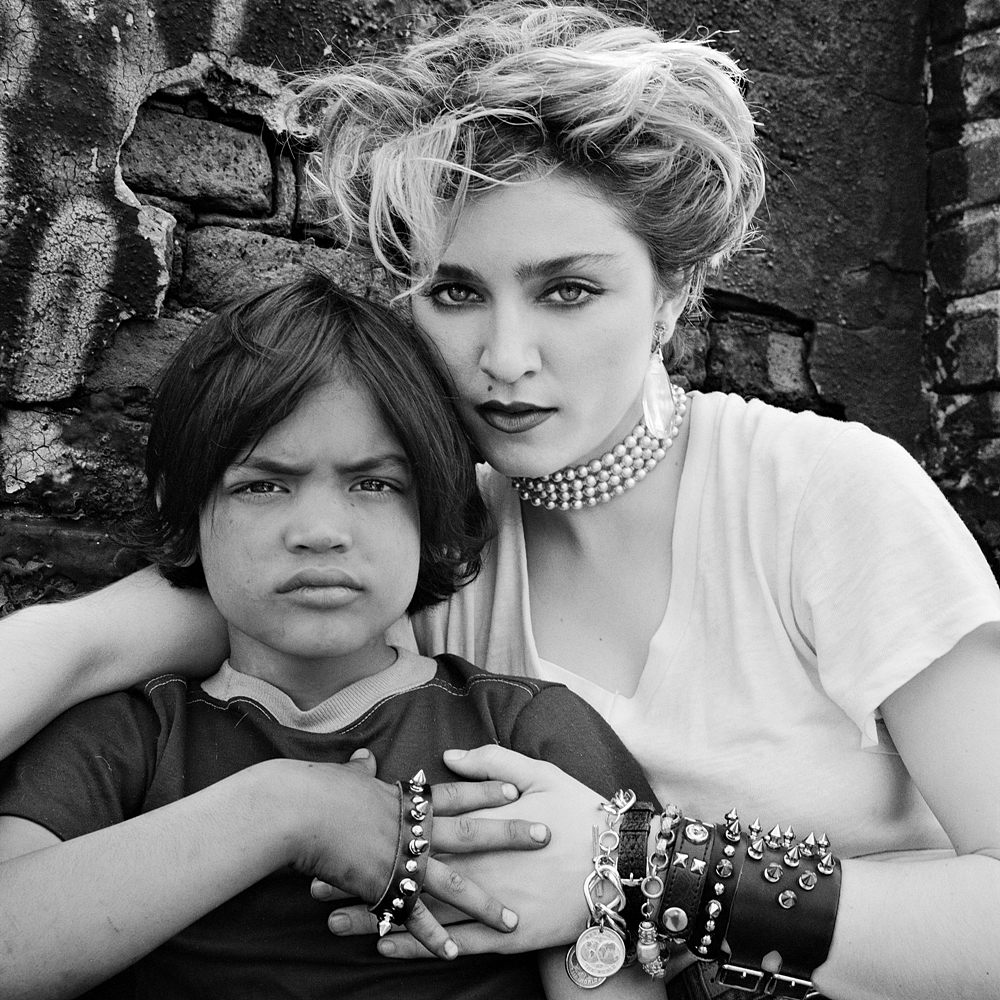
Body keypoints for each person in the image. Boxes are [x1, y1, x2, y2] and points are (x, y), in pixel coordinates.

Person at [1, 3, 998, 999]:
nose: (505, 358)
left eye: (568, 291)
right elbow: (82, 648)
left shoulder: (820, 491)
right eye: (456, 292)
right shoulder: (413, 541)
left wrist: (636, 868)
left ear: (671, 292)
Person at [0, 274, 660, 999]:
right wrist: (283, 814)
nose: (319, 531)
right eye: (263, 485)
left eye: (373, 483)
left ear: (432, 509)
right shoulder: (127, 737)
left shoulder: (525, 734)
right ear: (181, 509)